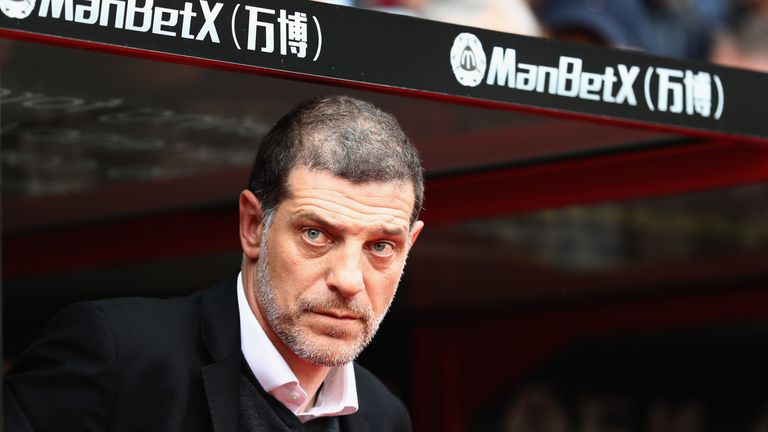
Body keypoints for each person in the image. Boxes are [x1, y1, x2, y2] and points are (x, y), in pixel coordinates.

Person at [4, 95, 425, 432]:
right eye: (316, 234)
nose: (349, 280)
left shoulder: (384, 415)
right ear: (253, 225)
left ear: (410, 245)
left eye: (381, 246)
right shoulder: (116, 356)